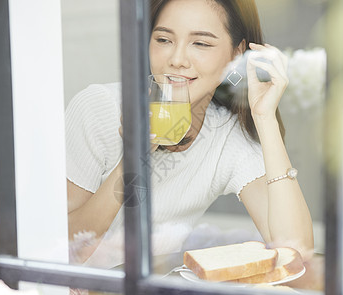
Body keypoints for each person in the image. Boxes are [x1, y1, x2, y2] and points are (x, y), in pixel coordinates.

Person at [66, 0, 314, 268]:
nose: (177, 60)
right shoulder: (98, 108)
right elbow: (63, 248)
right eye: (163, 39)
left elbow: (294, 250)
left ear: (236, 54)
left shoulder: (226, 134)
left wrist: (264, 118)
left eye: (201, 43)